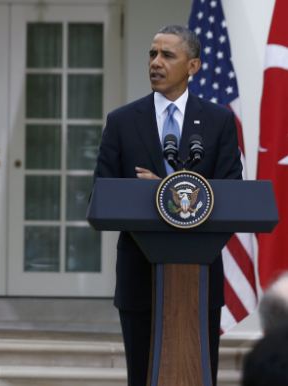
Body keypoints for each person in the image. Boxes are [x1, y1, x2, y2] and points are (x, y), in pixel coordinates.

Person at [93, 25, 242, 386]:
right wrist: (149, 197)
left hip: (199, 279)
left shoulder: (218, 121)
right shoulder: (122, 121)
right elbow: (101, 196)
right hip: (139, 279)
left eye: (167, 55)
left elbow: (232, 195)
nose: (156, 63)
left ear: (193, 66)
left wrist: (167, 190)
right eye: (152, 54)